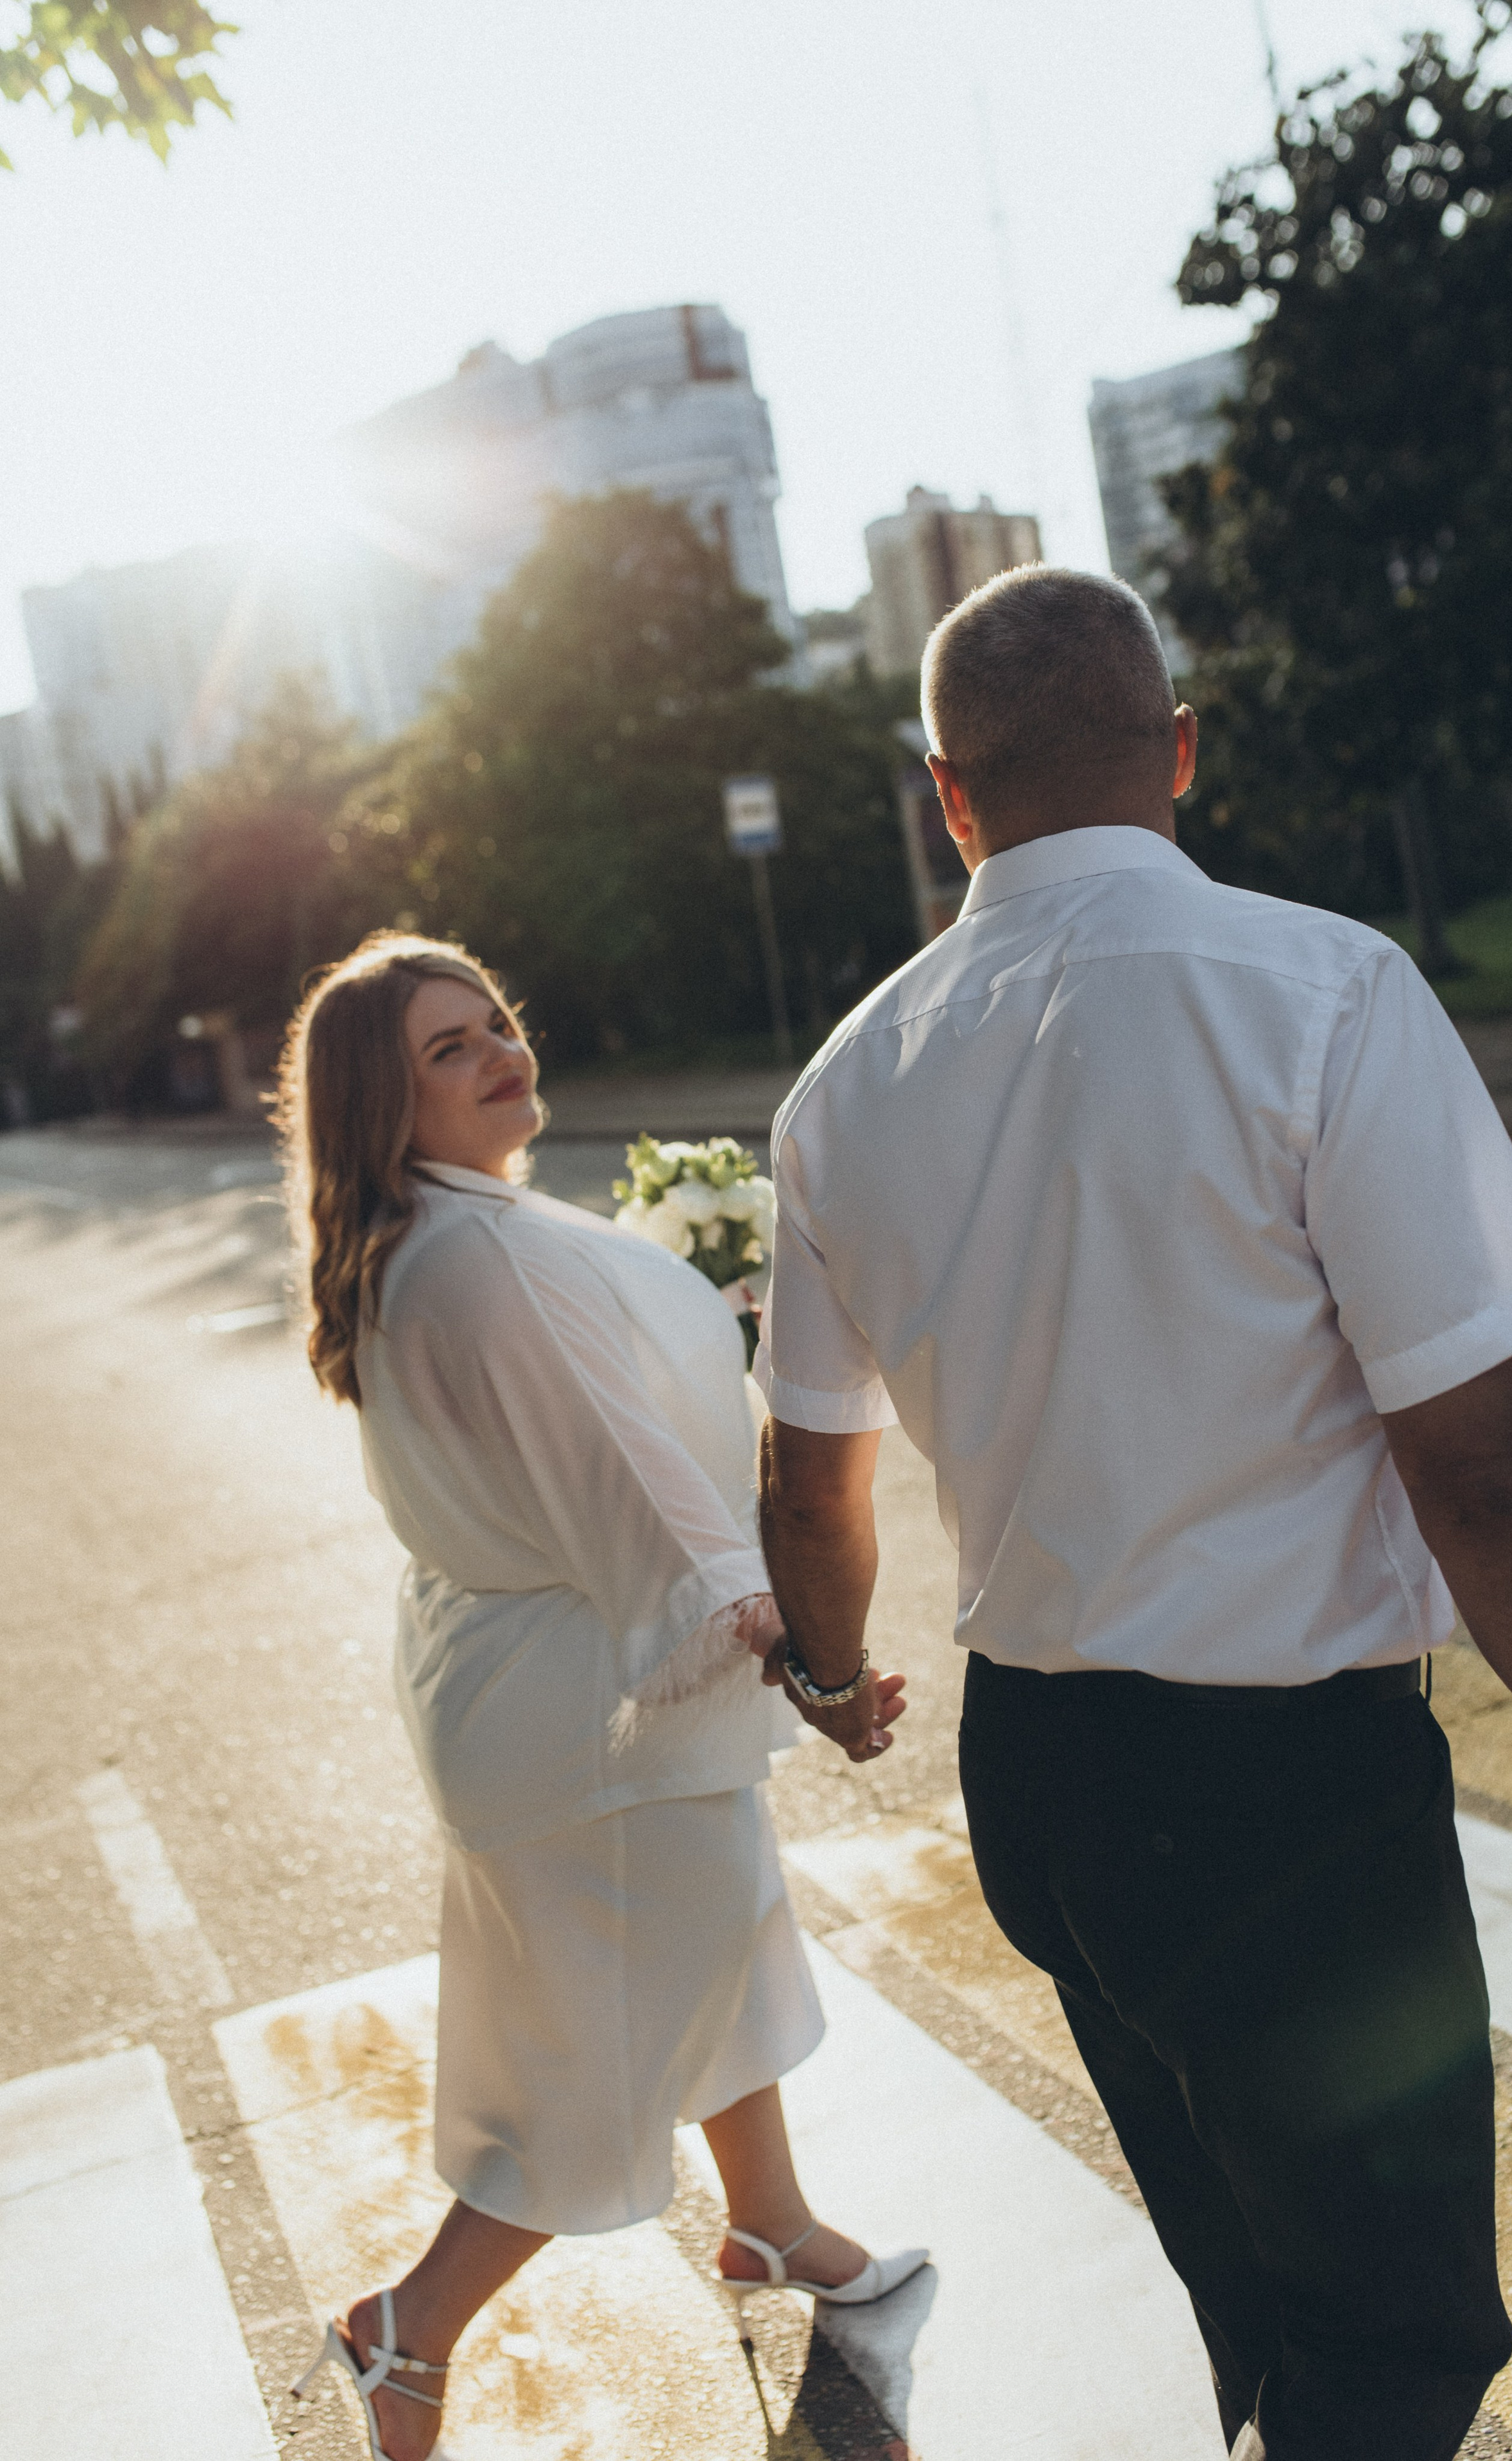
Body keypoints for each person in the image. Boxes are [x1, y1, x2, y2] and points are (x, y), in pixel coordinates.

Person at [750, 568, 1512, 2461]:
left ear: (947, 792)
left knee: (1263, 2290)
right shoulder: (1320, 990)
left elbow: (808, 1477)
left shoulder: (840, 1088)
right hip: (1288, 1800)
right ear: (1177, 745)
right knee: (1396, 2345)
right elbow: (1478, 1456)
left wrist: (827, 1674)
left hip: (1048, 1780)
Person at [275, 932, 924, 2461]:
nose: (499, 1047)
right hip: (600, 1709)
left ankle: (767, 2225)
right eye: (447, 1046)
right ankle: (406, 2331)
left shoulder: (434, 1232)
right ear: (382, 1099)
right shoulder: (478, 1254)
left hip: (537, 1696)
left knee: (718, 1948)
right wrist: (798, 1650)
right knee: (606, 2040)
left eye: (495, 1019)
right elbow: (625, 1478)